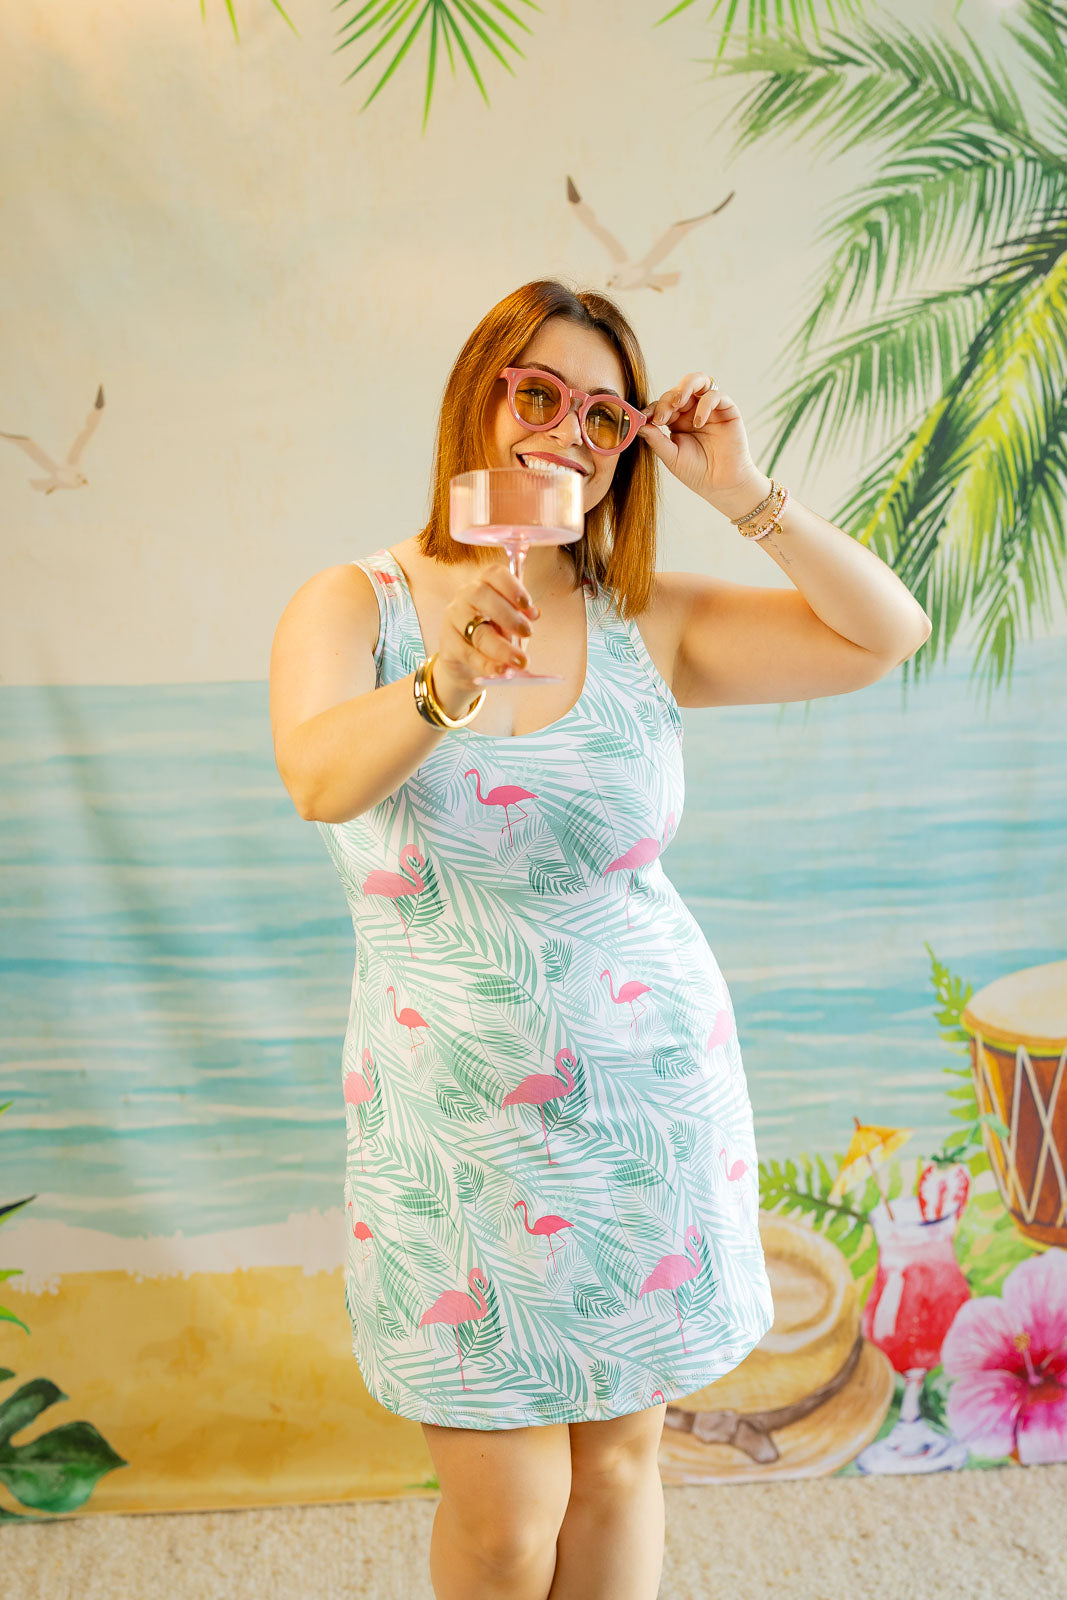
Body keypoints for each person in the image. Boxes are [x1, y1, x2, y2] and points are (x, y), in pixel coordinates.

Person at [269, 279, 932, 1600]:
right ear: (479, 395)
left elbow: (884, 633)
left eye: (603, 412)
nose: (569, 429)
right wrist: (444, 682)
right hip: (450, 1128)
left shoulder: (650, 620)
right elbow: (319, 779)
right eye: (539, 392)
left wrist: (743, 491)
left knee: (622, 1471)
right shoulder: (357, 605)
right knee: (511, 1520)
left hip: (645, 1106)